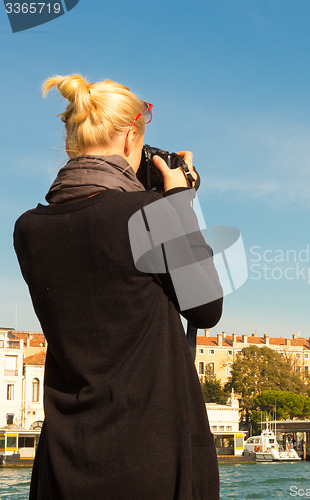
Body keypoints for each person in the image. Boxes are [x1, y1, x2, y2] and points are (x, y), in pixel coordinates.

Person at [13, 74, 223, 499]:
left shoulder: (28, 229)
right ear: (131, 137)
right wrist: (178, 203)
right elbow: (206, 308)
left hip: (63, 458)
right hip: (154, 457)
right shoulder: (150, 213)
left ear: (73, 142)